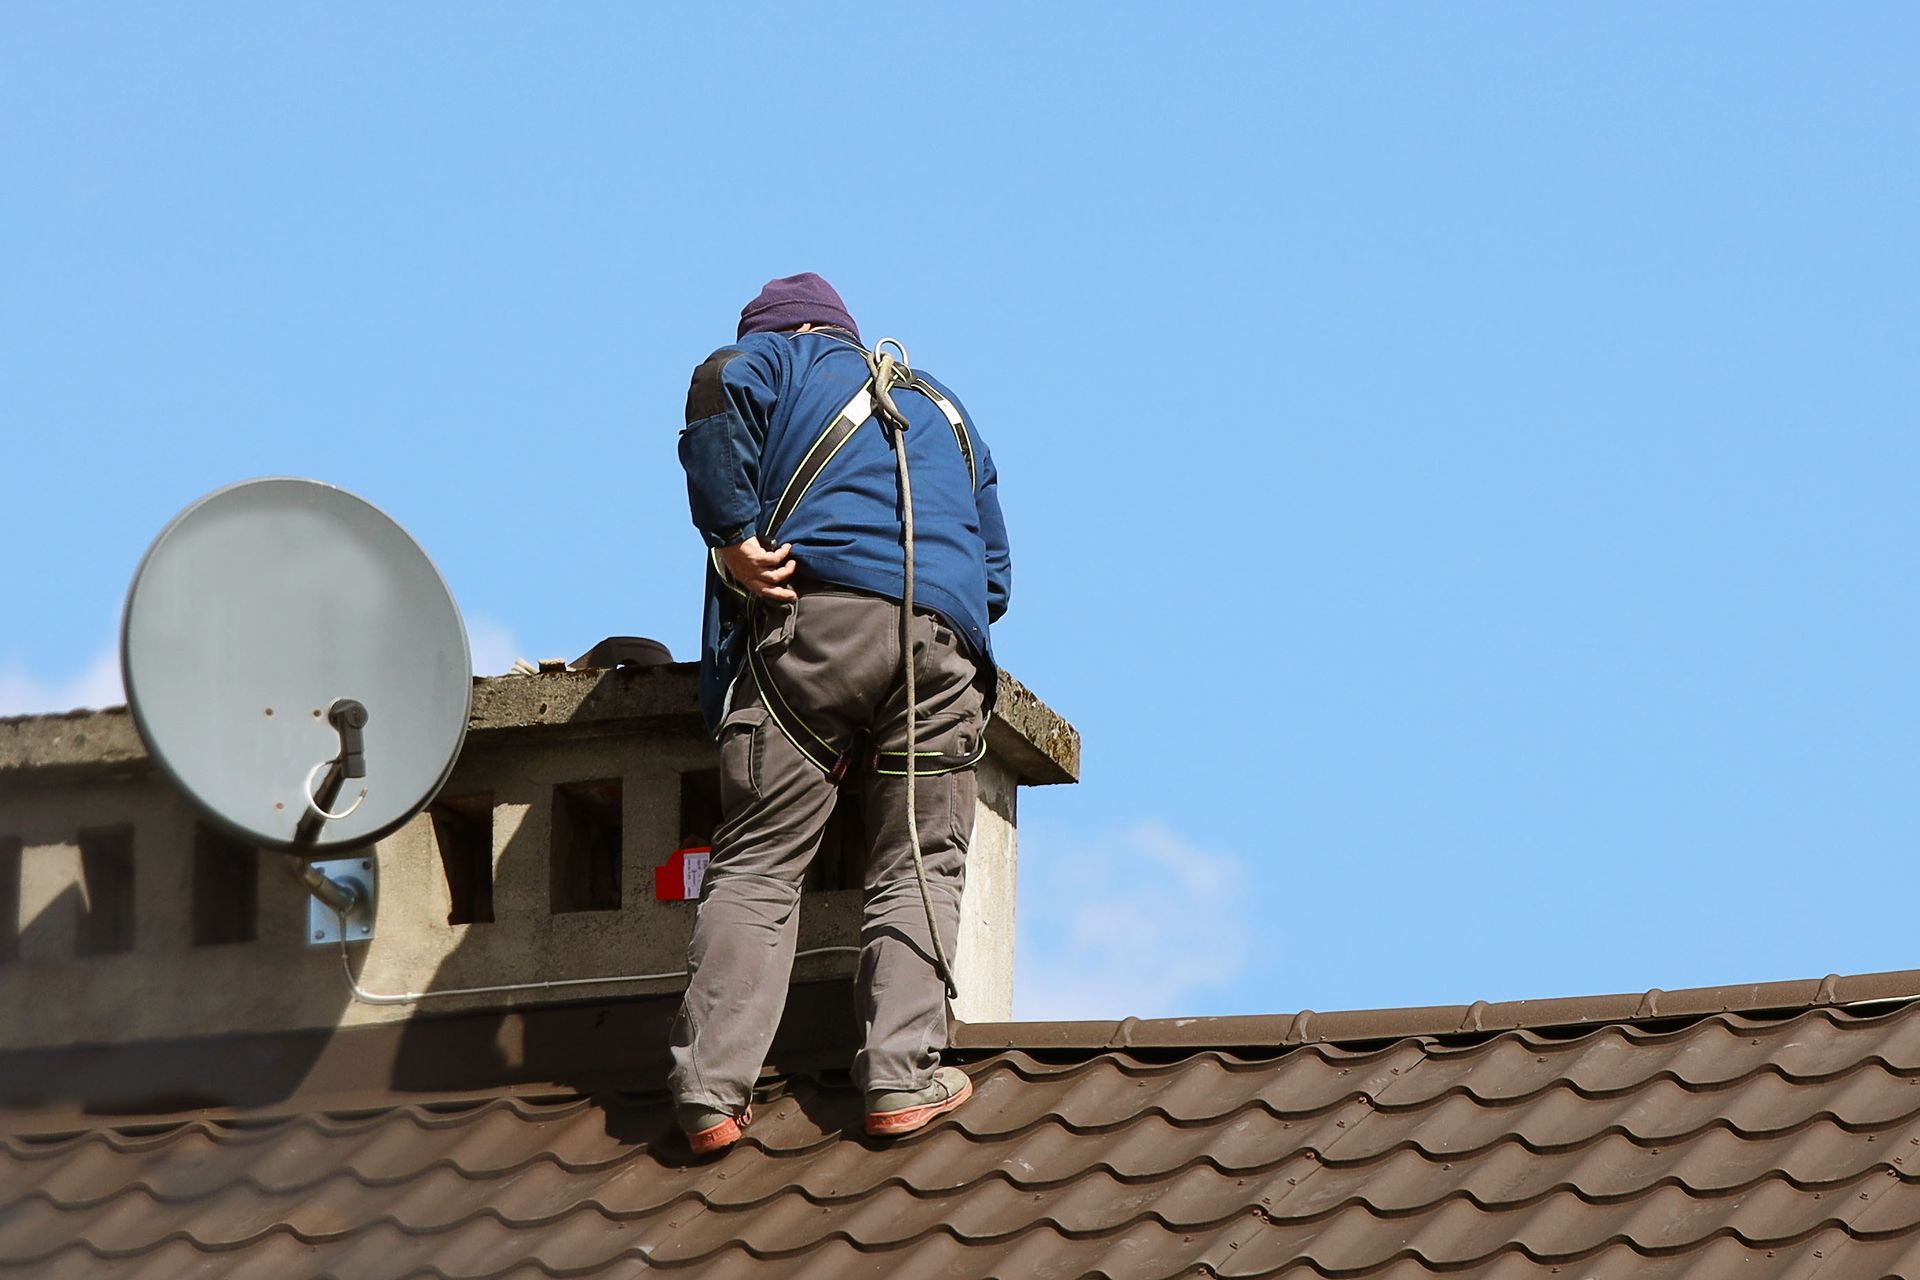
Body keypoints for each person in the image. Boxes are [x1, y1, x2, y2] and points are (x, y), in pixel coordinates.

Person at [669, 273, 1012, 1154]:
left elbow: (716, 389)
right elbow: (997, 573)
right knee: (919, 861)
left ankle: (711, 1095)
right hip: (944, 645)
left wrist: (733, 535)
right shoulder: (941, 405)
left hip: (814, 634)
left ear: (778, 332)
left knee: (757, 865)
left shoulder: (772, 361)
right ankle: (901, 1081)